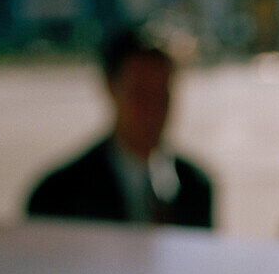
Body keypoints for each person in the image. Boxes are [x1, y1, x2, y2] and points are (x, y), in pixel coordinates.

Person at [24, 23, 213, 227]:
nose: (152, 110)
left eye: (161, 95)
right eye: (140, 95)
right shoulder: (57, 196)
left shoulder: (195, 187)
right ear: (111, 87)